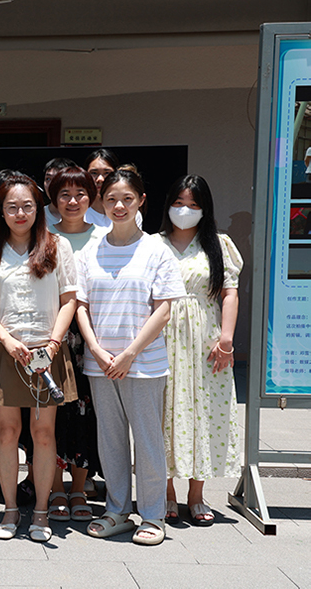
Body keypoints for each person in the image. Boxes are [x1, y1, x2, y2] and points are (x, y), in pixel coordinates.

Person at [77, 166, 185, 546]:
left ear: (141, 201)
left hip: (143, 364)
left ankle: (153, 515)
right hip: (100, 364)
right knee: (110, 440)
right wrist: (95, 348)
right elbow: (80, 305)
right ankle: (117, 510)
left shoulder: (156, 250)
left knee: (147, 440)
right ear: (101, 203)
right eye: (111, 199)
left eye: (127, 198)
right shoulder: (91, 249)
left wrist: (130, 353)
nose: (119, 206)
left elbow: (163, 310)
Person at [0, 170, 78, 542]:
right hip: (5, 351)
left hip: (47, 350)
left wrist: (54, 343)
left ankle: (42, 512)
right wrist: (5, 339)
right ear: (0, 211)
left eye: (27, 206)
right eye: (12, 207)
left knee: (43, 433)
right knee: (6, 431)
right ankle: (11, 509)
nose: (20, 213)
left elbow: (70, 299)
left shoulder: (57, 246)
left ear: (39, 209)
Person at [156, 175, 243, 527]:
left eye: (193, 204)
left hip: (206, 340)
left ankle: (196, 495)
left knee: (205, 412)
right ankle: (165, 493)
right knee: (163, 412)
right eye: (178, 203)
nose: (185, 210)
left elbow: (230, 292)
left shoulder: (219, 245)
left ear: (205, 209)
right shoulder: (153, 244)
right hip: (161, 337)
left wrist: (226, 339)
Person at [45, 166, 107, 523]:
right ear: (53, 199)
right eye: (64, 194)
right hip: (52, 336)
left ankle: (80, 487)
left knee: (86, 412)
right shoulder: (42, 236)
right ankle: (54, 487)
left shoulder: (105, 236)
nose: (72, 201)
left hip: (94, 337)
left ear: (91, 196)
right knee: (50, 413)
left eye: (80, 193)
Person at [84, 149, 143, 229]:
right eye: (94, 173)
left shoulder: (131, 213)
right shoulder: (80, 214)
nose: (100, 179)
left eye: (107, 173)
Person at [42, 158, 77, 226]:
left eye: (58, 178)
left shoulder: (86, 215)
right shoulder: (37, 216)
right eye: (48, 179)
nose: (52, 184)